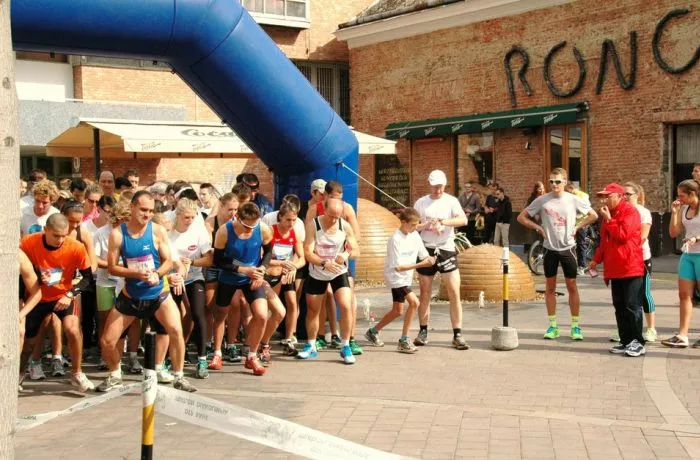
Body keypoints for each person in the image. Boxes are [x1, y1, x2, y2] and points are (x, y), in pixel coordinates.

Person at [97, 190, 196, 392]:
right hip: (131, 295)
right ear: (132, 207)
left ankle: (179, 376)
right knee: (107, 341)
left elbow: (168, 261)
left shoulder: (157, 231)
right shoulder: (118, 234)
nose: (147, 214)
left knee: (176, 331)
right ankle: (115, 375)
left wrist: (157, 274)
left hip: (158, 294)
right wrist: (136, 274)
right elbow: (112, 267)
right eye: (143, 210)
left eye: (151, 211)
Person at [517, 168, 598, 340]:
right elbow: (521, 217)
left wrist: (578, 227)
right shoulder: (542, 200)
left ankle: (575, 327)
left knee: (572, 286)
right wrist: (538, 228)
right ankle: (553, 326)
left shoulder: (573, 199)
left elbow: (593, 215)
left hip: (568, 248)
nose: (554, 185)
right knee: (550, 288)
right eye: (551, 181)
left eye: (558, 181)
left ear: (565, 182)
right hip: (550, 249)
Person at [19, 214, 95, 392]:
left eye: (64, 235)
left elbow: (88, 279)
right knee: (29, 340)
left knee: (72, 329)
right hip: (37, 298)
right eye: (56, 235)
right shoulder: (29, 242)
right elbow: (19, 270)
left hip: (62, 296)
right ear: (45, 230)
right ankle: (19, 373)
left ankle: (77, 373)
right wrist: (34, 281)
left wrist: (70, 294)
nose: (60, 240)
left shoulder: (75, 247)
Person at [210, 202, 272, 376]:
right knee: (221, 314)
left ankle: (252, 356)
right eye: (246, 226)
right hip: (229, 277)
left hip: (252, 278)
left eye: (253, 226)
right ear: (237, 217)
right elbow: (218, 261)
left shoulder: (263, 229)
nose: (249, 230)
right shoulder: (224, 231)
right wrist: (242, 269)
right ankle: (217, 353)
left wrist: (262, 270)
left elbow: (268, 252)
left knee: (262, 315)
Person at [411, 170, 469, 349]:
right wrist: (426, 224)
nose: (437, 190)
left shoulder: (451, 201)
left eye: (440, 187)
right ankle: (423, 331)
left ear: (445, 185)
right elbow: (413, 226)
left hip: (446, 248)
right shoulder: (421, 202)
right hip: (426, 249)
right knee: (425, 292)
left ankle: (457, 334)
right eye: (434, 187)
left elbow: (463, 220)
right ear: (429, 184)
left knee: (454, 292)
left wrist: (443, 222)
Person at [364, 208, 435, 353]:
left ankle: (373, 332)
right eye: (413, 225)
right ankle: (404, 340)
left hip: (405, 278)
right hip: (395, 278)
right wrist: (421, 265)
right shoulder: (395, 239)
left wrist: (430, 259)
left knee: (397, 311)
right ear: (403, 222)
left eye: (417, 224)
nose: (415, 227)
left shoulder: (415, 235)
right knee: (414, 303)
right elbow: (398, 267)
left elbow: (423, 255)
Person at [299, 198, 360, 364]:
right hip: (318, 272)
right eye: (331, 216)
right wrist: (323, 262)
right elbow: (307, 252)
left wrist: (345, 255)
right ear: (324, 210)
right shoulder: (313, 225)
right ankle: (311, 345)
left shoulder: (344, 226)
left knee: (346, 306)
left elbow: (356, 250)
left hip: (338, 272)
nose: (333, 220)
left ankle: (346, 346)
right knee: (313, 310)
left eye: (337, 216)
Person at [588, 183, 646, 357]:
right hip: (614, 268)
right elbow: (604, 242)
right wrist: (595, 260)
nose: (604, 200)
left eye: (608, 196)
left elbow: (623, 235)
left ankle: (637, 342)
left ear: (619, 196)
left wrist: (609, 220)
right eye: (603, 197)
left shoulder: (630, 211)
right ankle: (626, 340)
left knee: (632, 306)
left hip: (630, 266)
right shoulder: (609, 214)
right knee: (619, 306)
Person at [168, 198, 213, 379]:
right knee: (172, 317)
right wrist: (176, 265)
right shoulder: (168, 232)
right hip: (172, 278)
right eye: (186, 217)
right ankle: (169, 356)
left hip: (194, 277)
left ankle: (202, 359)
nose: (190, 221)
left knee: (198, 313)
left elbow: (208, 260)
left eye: (193, 217)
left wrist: (192, 262)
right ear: (177, 215)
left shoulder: (199, 231)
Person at [261, 202, 305, 357]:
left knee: (292, 302)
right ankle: (260, 340)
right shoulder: (270, 232)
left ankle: (289, 339)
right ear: (280, 217)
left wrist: (293, 267)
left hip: (286, 274)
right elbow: (261, 258)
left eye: (294, 220)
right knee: (268, 310)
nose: (291, 223)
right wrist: (280, 263)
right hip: (269, 275)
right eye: (288, 220)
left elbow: (302, 257)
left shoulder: (294, 233)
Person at [662, 179, 700, 348]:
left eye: (682, 195)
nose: (679, 198)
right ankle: (682, 335)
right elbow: (673, 233)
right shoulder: (684, 209)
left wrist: (696, 238)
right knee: (684, 295)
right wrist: (675, 213)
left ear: (693, 194)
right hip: (688, 255)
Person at [203, 193, 240, 362]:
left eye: (236, 209)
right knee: (210, 305)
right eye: (230, 209)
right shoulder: (211, 223)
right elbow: (207, 248)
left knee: (234, 305)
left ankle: (231, 344)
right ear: (221, 207)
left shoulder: (237, 223)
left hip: (230, 267)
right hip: (213, 266)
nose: (233, 213)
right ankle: (209, 342)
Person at [622, 182, 657, 342]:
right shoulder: (620, 212)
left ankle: (651, 328)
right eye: (623, 194)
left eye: (628, 194)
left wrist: (626, 245)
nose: (625, 197)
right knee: (625, 296)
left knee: (643, 293)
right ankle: (625, 328)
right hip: (624, 259)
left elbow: (643, 236)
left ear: (637, 195)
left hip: (641, 258)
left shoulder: (644, 212)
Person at [19, 249, 43, 390]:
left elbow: (36, 293)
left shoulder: (19, 256)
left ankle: (16, 375)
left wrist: (20, 315)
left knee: (20, 333)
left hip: (14, 305)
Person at [565, 181, 592, 275]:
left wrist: (574, 215)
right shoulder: (568, 196)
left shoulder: (582, 196)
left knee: (581, 244)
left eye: (567, 191)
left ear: (572, 189)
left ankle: (582, 266)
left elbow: (585, 210)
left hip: (582, 222)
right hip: (571, 223)